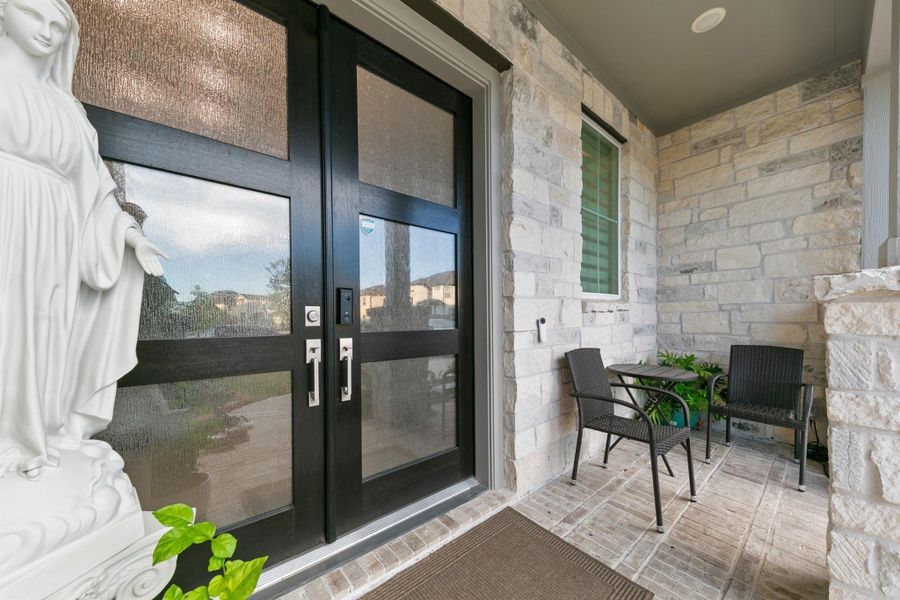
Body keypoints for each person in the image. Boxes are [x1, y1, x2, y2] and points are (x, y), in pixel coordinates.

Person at [0, 0, 168, 479]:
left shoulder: (67, 108)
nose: (47, 32)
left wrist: (131, 238)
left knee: (48, 329)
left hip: (56, 234)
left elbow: (96, 193)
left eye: (58, 25)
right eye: (34, 16)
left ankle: (44, 434)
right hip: (7, 215)